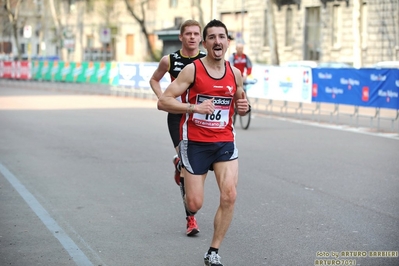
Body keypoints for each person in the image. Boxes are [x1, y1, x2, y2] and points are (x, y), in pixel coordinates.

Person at [158, 19, 250, 266]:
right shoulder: (192, 71)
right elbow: (163, 101)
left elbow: (242, 101)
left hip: (224, 142)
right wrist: (194, 107)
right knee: (194, 203)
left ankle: (213, 251)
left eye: (222, 37)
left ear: (228, 42)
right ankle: (182, 168)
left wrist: (245, 106)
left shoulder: (236, 73)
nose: (217, 41)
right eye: (212, 37)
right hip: (195, 143)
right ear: (205, 42)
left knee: (229, 195)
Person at [149, 19, 206, 236]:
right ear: (181, 37)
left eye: (196, 34)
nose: (192, 37)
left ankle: (179, 163)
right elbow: (154, 80)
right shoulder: (169, 60)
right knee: (187, 168)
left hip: (201, 118)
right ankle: (190, 219)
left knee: (197, 169)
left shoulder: (207, 58)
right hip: (178, 117)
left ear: (201, 37)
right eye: (188, 33)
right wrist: (163, 97)